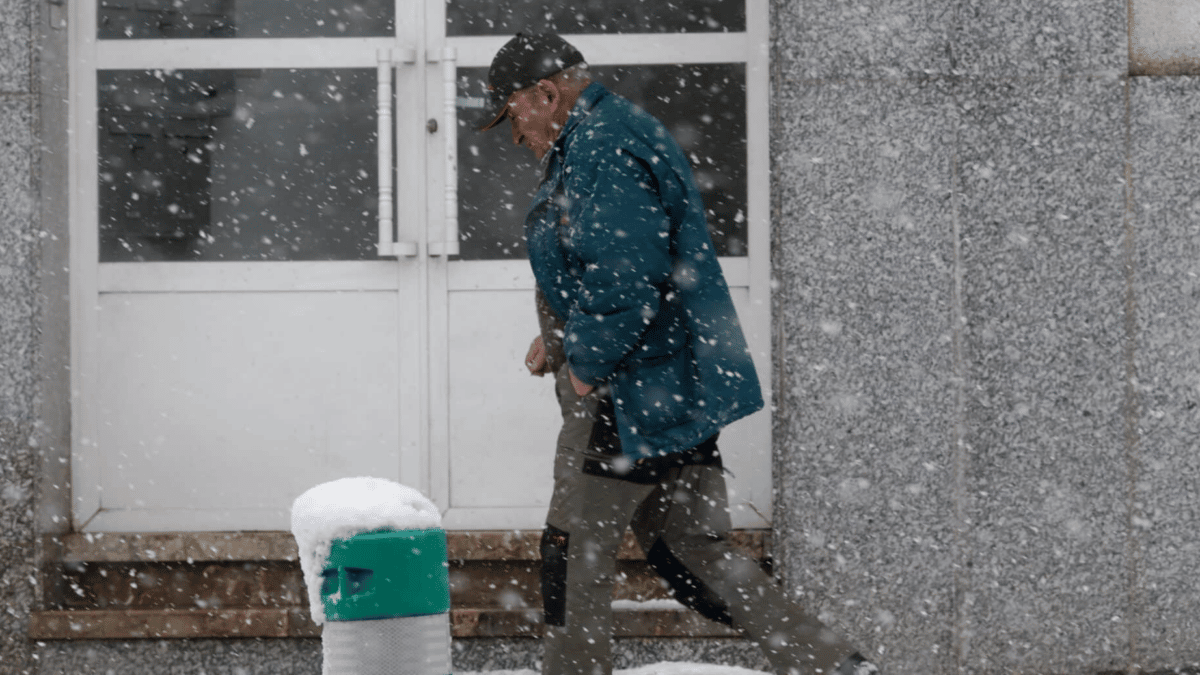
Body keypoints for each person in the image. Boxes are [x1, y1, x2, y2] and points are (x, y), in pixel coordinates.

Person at [480, 33, 881, 675]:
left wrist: (584, 362)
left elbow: (628, 276)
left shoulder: (601, 147)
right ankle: (835, 666)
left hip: (629, 392)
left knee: (573, 549)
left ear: (547, 93)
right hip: (669, 382)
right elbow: (611, 266)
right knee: (694, 546)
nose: (512, 132)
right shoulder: (603, 133)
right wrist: (558, 334)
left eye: (512, 114)